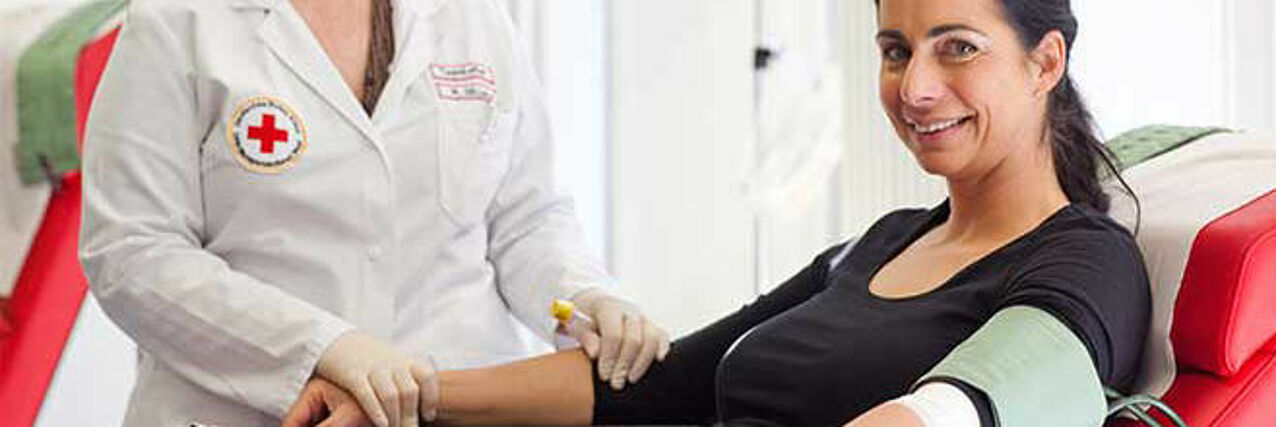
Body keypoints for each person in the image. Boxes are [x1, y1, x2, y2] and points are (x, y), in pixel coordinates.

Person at [286, 0, 1154, 425]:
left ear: (1045, 63)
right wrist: (403, 393)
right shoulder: (884, 242)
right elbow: (663, 383)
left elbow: (985, 396)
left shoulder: (1083, 257)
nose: (916, 87)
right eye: (895, 51)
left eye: (958, 48)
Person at [78, 0, 670, 426]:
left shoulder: (470, 17)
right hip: (253, 409)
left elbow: (525, 218)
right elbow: (133, 254)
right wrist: (325, 346)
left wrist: (582, 298)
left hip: (459, 399)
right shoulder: (179, 21)